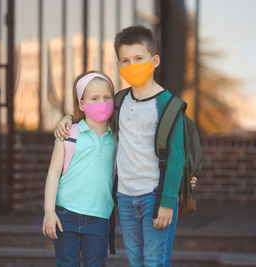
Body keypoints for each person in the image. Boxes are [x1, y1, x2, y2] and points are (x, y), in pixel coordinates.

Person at [54, 26, 198, 267]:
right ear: (119, 65)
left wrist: (166, 201)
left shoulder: (168, 105)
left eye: (139, 59)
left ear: (154, 60)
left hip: (155, 194)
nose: (132, 65)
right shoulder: (119, 100)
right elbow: (93, 113)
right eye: (125, 61)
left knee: (154, 260)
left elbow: (176, 158)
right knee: (135, 259)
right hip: (125, 197)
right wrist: (68, 117)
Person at [42, 71, 117, 267]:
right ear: (82, 104)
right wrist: (49, 211)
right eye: (94, 98)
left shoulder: (117, 137)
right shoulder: (68, 134)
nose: (101, 102)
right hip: (65, 214)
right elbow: (53, 173)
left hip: (100, 217)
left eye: (106, 97)